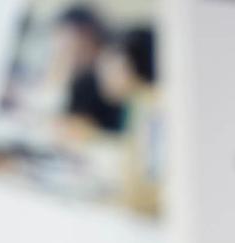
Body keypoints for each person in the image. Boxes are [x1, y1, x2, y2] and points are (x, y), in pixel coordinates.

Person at [97, 26, 161, 214]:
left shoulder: (154, 110)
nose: (102, 74)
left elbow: (146, 191)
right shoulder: (138, 103)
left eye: (109, 65)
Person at [54, 5, 124, 134]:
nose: (62, 46)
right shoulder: (82, 78)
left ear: (86, 33)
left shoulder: (116, 64)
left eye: (66, 37)